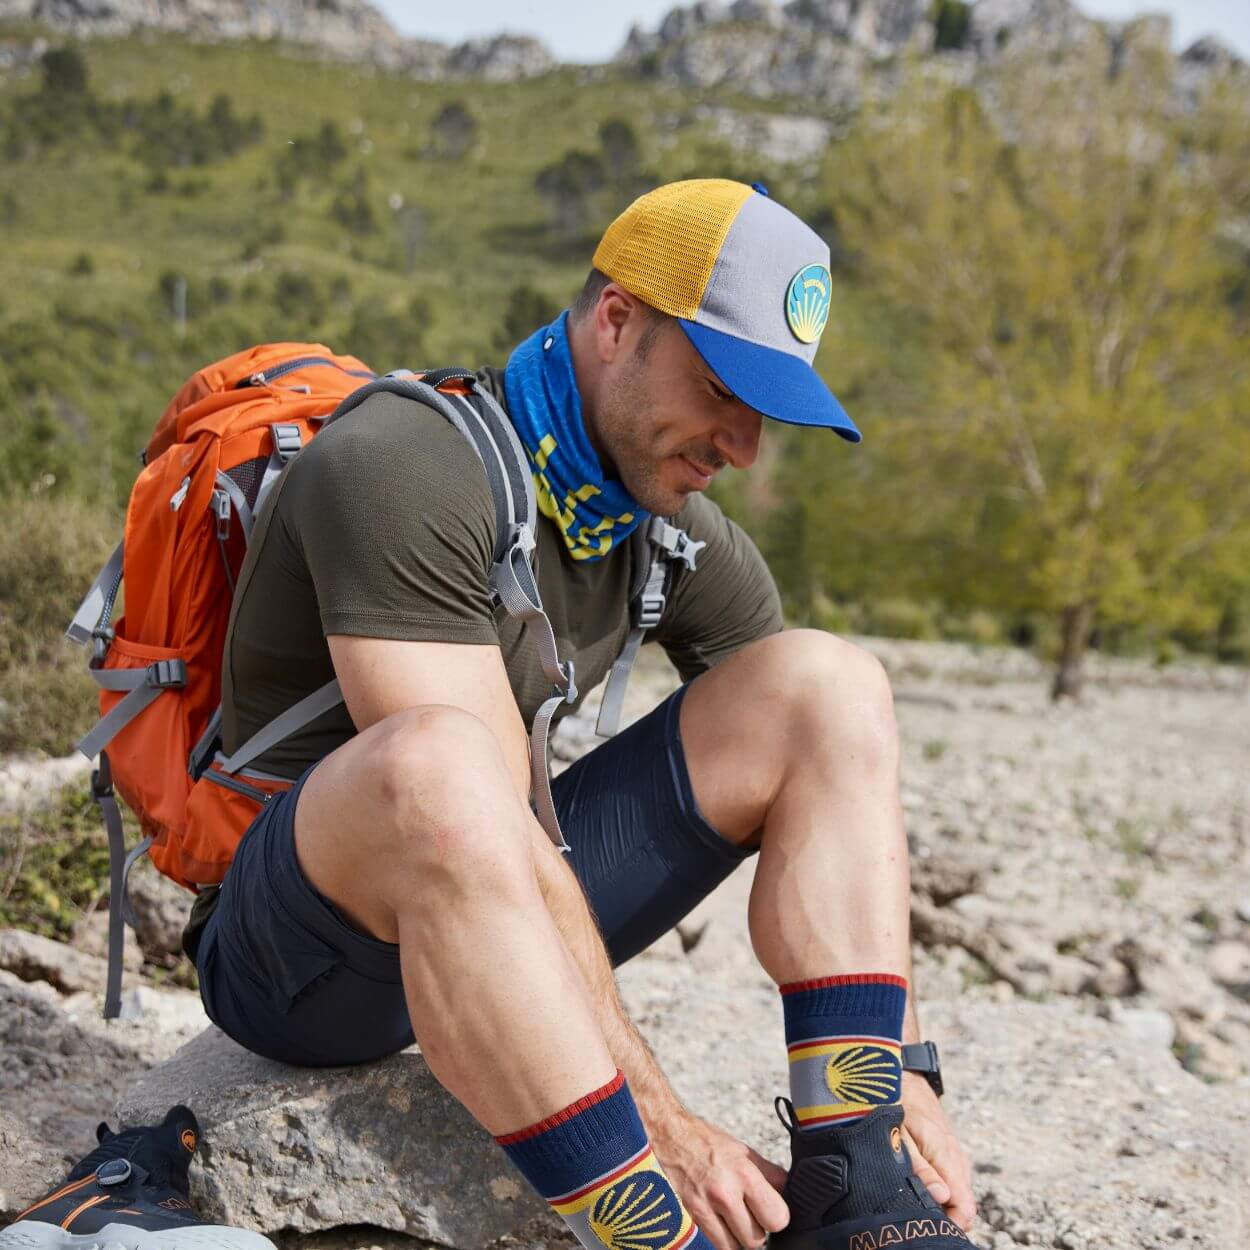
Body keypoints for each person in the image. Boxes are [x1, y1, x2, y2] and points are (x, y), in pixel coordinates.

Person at [182, 179, 979, 1250]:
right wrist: (663, 1122)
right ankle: (648, 1233)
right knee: (442, 761)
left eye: (766, 411)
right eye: (721, 389)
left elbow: (834, 785)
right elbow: (470, 812)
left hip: (497, 918)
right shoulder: (401, 465)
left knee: (827, 684)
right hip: (305, 959)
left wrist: (906, 1076)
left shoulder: (663, 525)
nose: (742, 445)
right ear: (616, 321)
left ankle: (859, 1183)